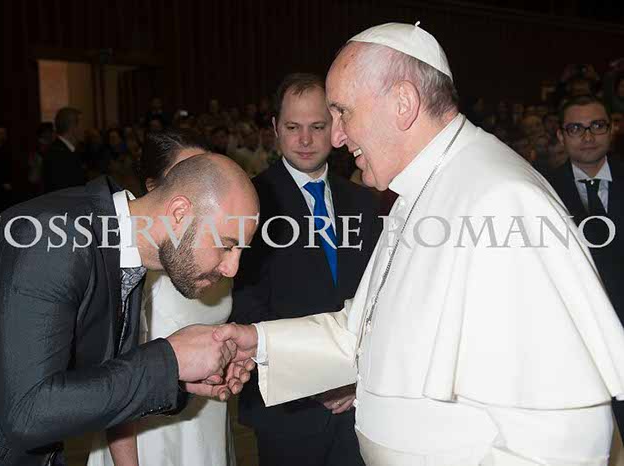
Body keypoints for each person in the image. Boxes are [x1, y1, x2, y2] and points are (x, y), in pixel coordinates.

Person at [216, 22, 624, 465]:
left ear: (403, 104)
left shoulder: (501, 199)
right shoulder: (419, 189)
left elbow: (564, 436)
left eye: (343, 113)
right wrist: (258, 341)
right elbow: (365, 326)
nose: (336, 137)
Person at [0, 153, 258, 466]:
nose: (232, 269)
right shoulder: (54, 239)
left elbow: (90, 378)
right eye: (226, 245)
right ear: (179, 213)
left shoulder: (122, 246)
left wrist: (178, 378)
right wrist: (168, 360)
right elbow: (28, 412)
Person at [231, 73, 380, 466]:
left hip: (358, 404)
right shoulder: (249, 201)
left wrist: (356, 377)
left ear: (336, 127)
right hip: (288, 408)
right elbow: (247, 306)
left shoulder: (363, 202)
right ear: (275, 128)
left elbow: (378, 298)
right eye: (293, 127)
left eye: (317, 126)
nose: (305, 140)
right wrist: (317, 378)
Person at [87, 130, 237, 466]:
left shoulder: (221, 255)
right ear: (155, 189)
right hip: (148, 432)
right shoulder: (135, 266)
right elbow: (116, 380)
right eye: (185, 178)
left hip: (209, 414)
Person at [544, 95, 624, 432]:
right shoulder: (542, 189)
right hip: (577, 333)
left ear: (612, 129)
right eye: (576, 128)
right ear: (561, 135)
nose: (587, 136)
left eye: (597, 126)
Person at [43, 107, 86, 193]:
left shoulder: (67, 150)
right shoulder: (58, 155)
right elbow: (65, 192)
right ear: (72, 127)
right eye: (81, 125)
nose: (84, 129)